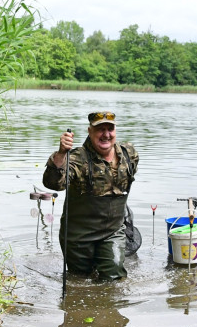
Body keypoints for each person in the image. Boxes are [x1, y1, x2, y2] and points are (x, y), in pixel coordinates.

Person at [42, 111, 139, 279]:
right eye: (100, 129)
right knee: (80, 280)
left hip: (112, 231)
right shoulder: (77, 158)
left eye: (110, 129)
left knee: (114, 275)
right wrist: (61, 154)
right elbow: (53, 184)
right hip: (78, 236)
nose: (106, 135)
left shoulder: (128, 154)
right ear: (90, 131)